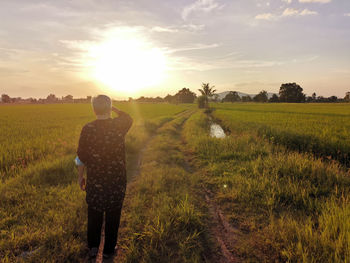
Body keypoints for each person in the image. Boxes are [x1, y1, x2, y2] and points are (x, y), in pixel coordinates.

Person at [77, 95, 133, 261]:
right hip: (117, 182)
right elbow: (128, 117)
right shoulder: (118, 125)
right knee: (113, 215)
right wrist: (113, 108)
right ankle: (109, 249)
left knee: (94, 213)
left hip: (95, 182)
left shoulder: (87, 129)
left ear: (93, 109)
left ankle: (93, 248)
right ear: (109, 109)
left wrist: (81, 177)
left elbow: (80, 156)